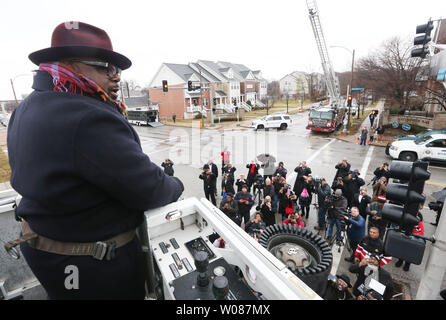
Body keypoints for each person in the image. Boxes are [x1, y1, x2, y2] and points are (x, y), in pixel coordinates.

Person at [7, 22, 184, 300]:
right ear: (69, 65)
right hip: (89, 263)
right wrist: (176, 184)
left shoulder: (28, 106)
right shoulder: (88, 118)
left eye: (118, 71)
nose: (116, 78)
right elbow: (150, 188)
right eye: (106, 67)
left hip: (43, 248)